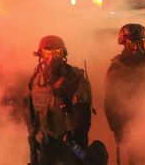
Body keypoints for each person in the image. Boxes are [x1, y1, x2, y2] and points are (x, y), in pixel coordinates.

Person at [25, 35, 102, 165]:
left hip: (71, 144)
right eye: (46, 54)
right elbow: (29, 109)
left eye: (56, 54)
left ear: (63, 54)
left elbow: (83, 118)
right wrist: (33, 135)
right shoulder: (35, 81)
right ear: (40, 55)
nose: (51, 59)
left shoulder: (75, 79)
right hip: (47, 143)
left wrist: (74, 139)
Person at [104, 23, 145, 164]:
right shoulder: (118, 66)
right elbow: (111, 101)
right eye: (133, 43)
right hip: (128, 122)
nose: (137, 47)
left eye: (140, 42)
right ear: (124, 43)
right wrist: (117, 128)